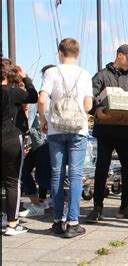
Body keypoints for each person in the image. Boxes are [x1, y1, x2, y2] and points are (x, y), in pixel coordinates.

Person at [38, 38, 93, 238]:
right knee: (76, 175)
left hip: (55, 129)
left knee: (57, 175)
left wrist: (43, 120)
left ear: (60, 52)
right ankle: (73, 222)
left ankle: (57, 221)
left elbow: (42, 99)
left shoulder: (51, 72)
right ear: (77, 54)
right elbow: (88, 106)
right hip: (78, 129)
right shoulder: (84, 74)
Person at [85, 44, 128, 223]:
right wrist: (96, 110)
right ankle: (97, 207)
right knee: (102, 167)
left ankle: (125, 206)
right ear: (119, 56)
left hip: (127, 130)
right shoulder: (101, 76)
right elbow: (89, 97)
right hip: (106, 130)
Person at [2, 58, 38, 235]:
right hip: (10, 138)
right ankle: (12, 223)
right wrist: (26, 78)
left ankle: (4, 215)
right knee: (12, 182)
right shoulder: (12, 92)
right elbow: (33, 96)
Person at [19, 64, 55, 218]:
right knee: (26, 172)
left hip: (42, 142)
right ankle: (37, 203)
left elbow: (30, 122)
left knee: (41, 176)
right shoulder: (48, 96)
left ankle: (62, 200)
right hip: (38, 142)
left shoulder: (43, 97)